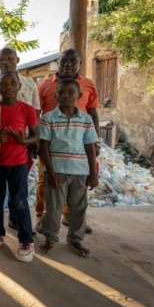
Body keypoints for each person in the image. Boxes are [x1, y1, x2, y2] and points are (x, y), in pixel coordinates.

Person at [0, 47, 40, 231]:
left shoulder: (29, 84)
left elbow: (35, 113)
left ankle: (18, 224)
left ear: (17, 59)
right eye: (1, 60)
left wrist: (32, 142)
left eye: (10, 58)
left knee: (18, 192)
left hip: (22, 147)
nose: (5, 62)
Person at [36, 48, 99, 233]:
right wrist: (36, 141)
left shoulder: (88, 84)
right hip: (50, 140)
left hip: (79, 142)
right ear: (58, 61)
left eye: (73, 61)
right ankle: (42, 217)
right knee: (46, 179)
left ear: (80, 63)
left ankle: (70, 217)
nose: (68, 65)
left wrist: (96, 141)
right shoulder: (45, 84)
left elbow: (93, 112)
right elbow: (36, 113)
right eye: (64, 61)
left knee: (77, 182)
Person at [0, 72, 39, 262]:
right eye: (3, 84)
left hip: (18, 163)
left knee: (20, 201)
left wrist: (24, 140)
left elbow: (36, 136)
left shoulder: (27, 109)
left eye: (12, 83)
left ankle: (26, 240)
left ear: (19, 87)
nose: (8, 87)